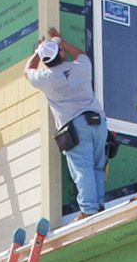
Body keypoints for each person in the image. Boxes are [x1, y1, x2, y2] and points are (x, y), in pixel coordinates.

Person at [24, 28, 108, 218]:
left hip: (75, 127)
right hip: (98, 122)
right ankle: (99, 204)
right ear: (61, 53)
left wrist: (39, 51)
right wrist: (60, 41)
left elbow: (27, 71)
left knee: (82, 168)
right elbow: (81, 54)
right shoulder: (81, 67)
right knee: (97, 166)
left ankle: (89, 210)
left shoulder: (46, 79)